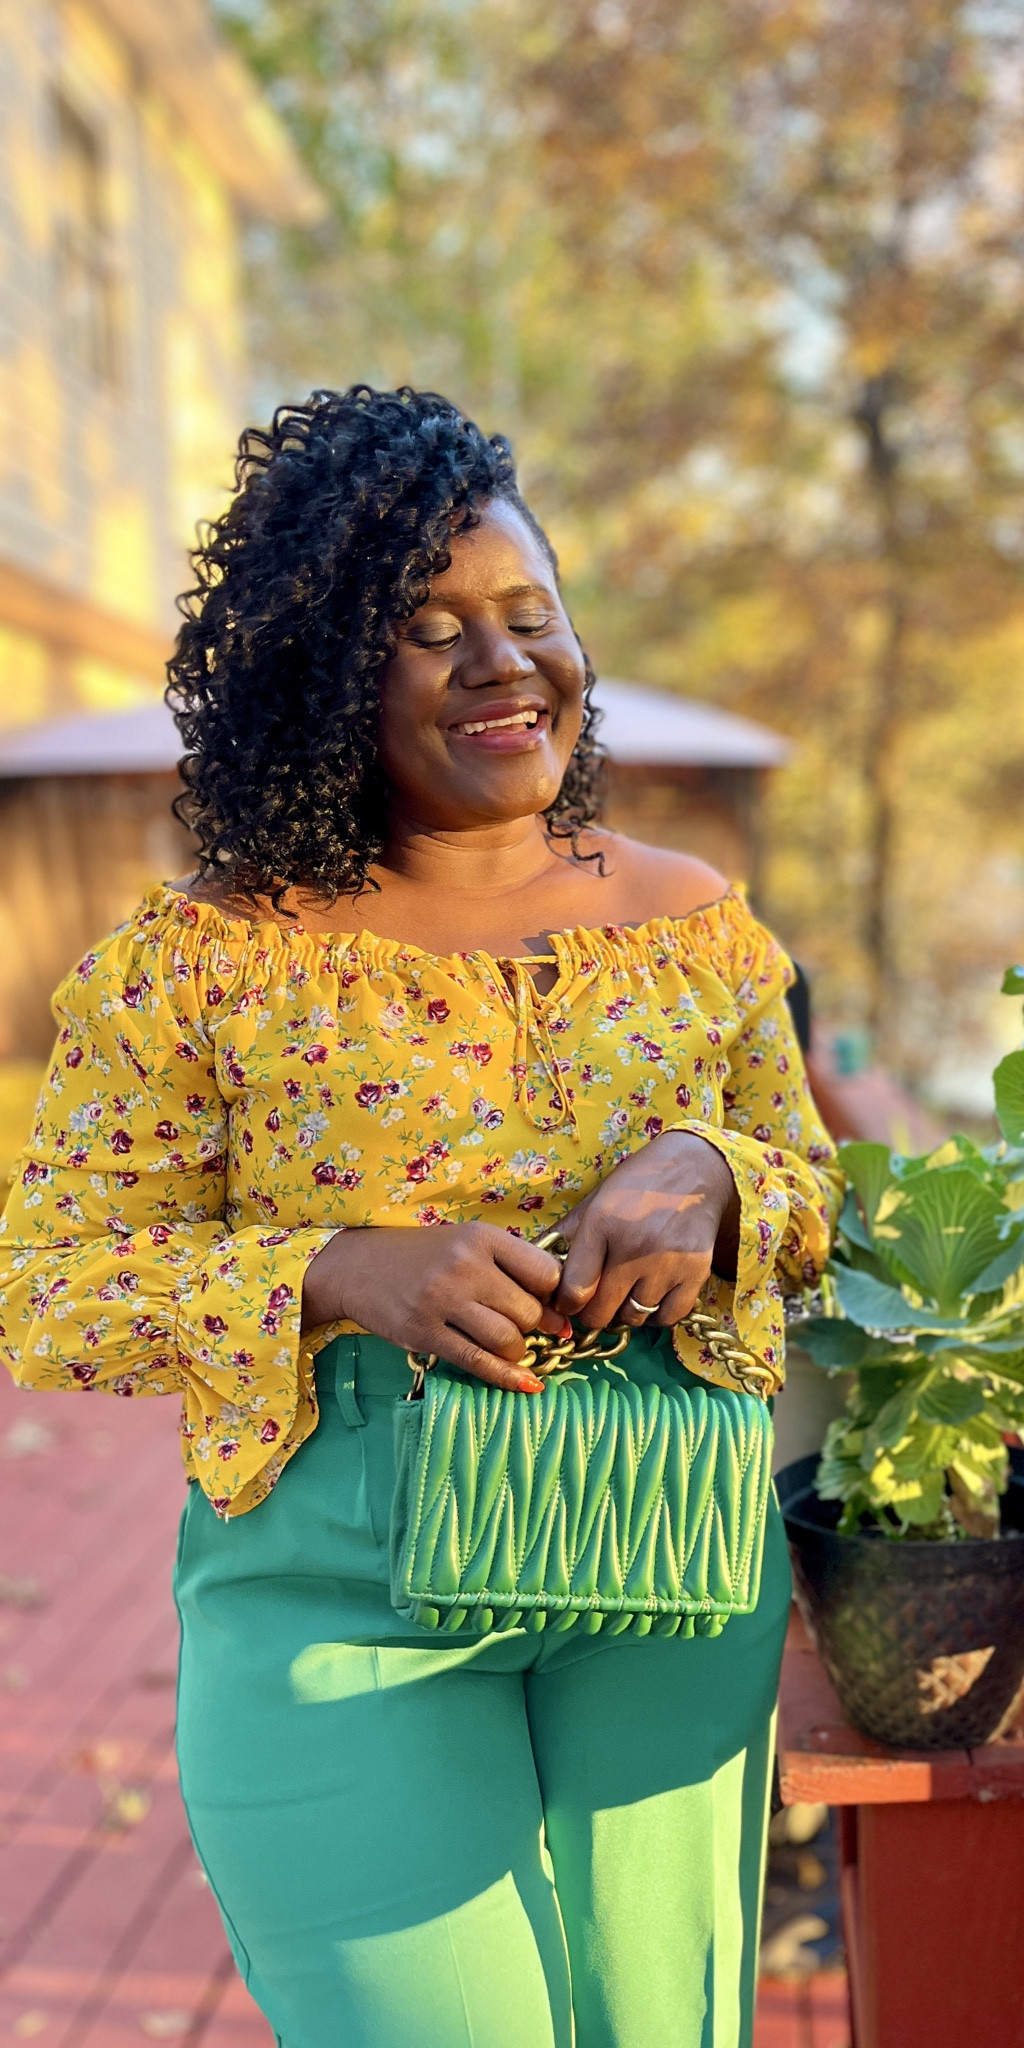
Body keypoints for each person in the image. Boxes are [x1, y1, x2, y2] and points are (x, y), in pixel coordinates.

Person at [0, 386, 841, 2048]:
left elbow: (814, 1190)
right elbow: (48, 1290)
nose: (503, 662)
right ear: (322, 671)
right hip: (339, 1593)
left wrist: (718, 1175)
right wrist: (337, 1271)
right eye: (431, 631)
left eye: (531, 614)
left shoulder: (696, 926)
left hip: (659, 1564)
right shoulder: (197, 968)